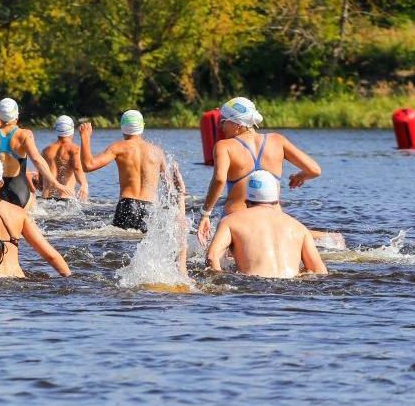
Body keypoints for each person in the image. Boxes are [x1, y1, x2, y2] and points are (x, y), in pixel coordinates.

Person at [196, 96, 323, 246]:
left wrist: (205, 214)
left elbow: (219, 179)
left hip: (237, 220)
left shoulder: (225, 146)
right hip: (273, 219)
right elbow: (314, 170)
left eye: (223, 122)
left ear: (237, 123)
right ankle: (332, 239)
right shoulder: (277, 140)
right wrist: (299, 176)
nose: (221, 127)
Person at [206, 171, 328, 278]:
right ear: (276, 200)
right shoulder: (299, 228)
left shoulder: (230, 222)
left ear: (246, 201)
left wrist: (219, 281)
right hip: (290, 291)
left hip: (253, 290)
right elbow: (319, 271)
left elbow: (212, 256)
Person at [79, 111, 185, 232]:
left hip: (127, 205)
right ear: (142, 126)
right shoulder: (158, 152)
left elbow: (88, 166)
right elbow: (170, 191)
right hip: (150, 210)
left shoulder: (119, 147)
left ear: (122, 128)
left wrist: (85, 137)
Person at [0, 98, 58, 210]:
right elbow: (36, 159)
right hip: (21, 192)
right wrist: (54, 182)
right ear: (17, 116)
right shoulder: (24, 135)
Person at [41, 115, 88, 201]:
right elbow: (77, 168)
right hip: (66, 198)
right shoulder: (75, 149)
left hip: (46, 197)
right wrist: (84, 184)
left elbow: (41, 174)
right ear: (72, 130)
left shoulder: (45, 151)